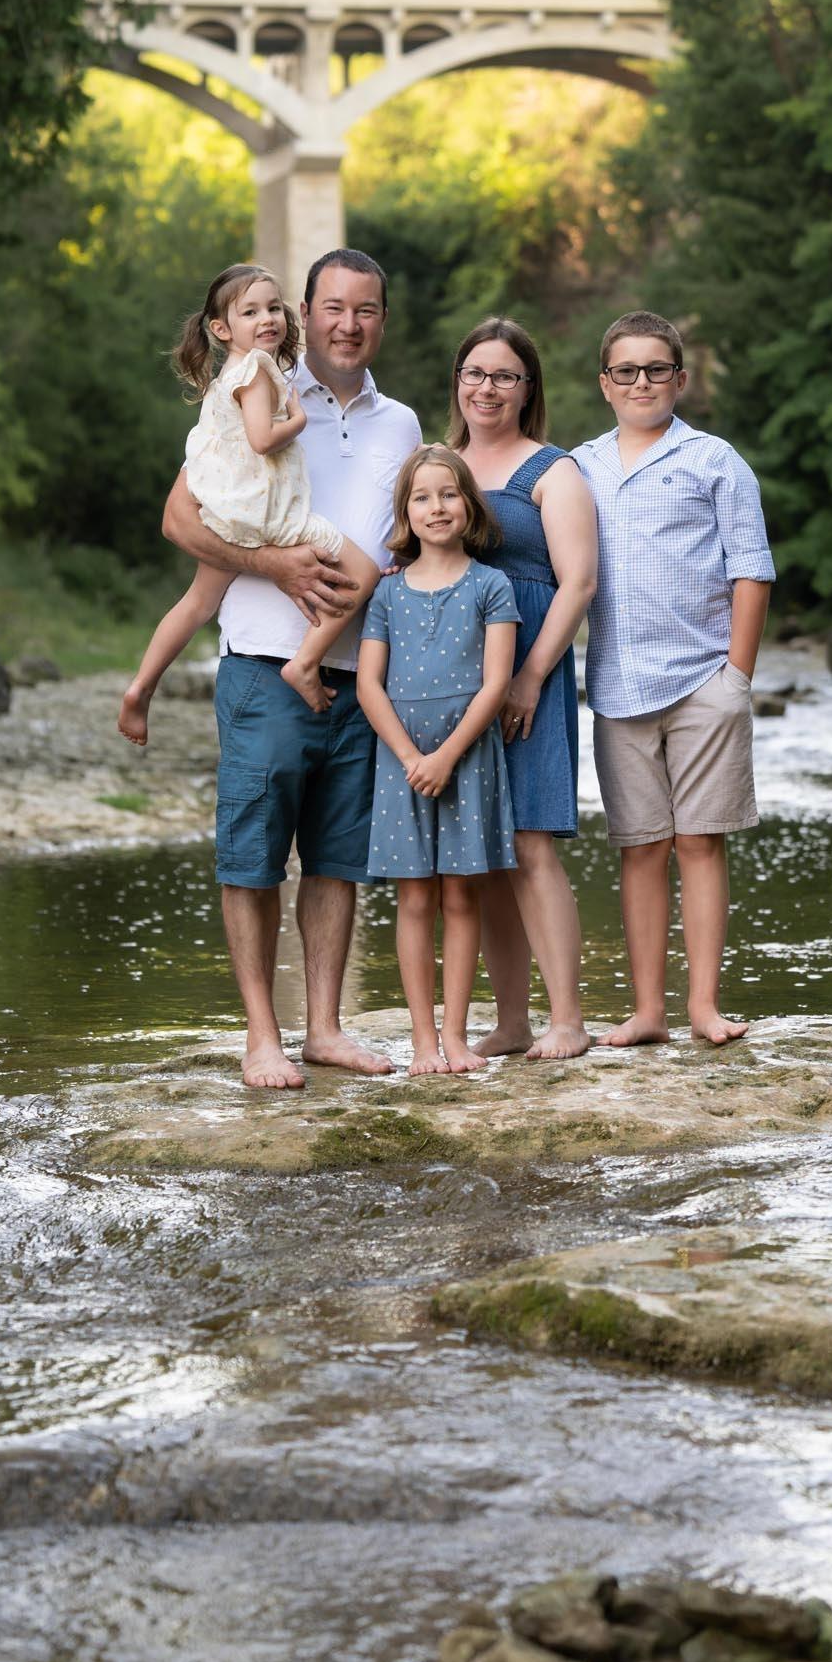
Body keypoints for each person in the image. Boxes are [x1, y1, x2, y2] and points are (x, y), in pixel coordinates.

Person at [160, 249, 421, 1089]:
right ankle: (260, 1037)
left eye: (367, 310)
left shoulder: (403, 426)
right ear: (308, 311)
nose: (350, 324)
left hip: (361, 677)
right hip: (266, 665)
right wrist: (272, 564)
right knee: (253, 857)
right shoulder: (256, 388)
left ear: (382, 318)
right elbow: (178, 517)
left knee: (337, 860)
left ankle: (326, 1029)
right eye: (335, 308)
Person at [572, 311, 775, 1048]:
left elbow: (750, 570)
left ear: (679, 380)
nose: (641, 382)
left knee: (699, 843)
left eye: (656, 369)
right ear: (604, 383)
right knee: (639, 847)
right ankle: (648, 1011)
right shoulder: (579, 466)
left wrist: (736, 678)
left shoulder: (714, 460)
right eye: (625, 370)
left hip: (701, 682)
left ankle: (702, 1007)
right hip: (617, 686)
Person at [119, 264, 381, 743]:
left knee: (197, 602)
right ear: (221, 329)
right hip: (269, 515)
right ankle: (305, 664)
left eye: (272, 308)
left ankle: (141, 687)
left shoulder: (229, 377)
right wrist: (298, 418)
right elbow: (263, 440)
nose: (268, 319)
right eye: (251, 311)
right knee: (363, 574)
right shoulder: (261, 371)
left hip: (231, 509)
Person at [448, 317, 598, 1063]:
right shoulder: (439, 466)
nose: (487, 387)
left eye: (504, 375)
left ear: (526, 388)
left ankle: (566, 1019)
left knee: (531, 841)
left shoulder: (552, 470)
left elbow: (579, 582)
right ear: (458, 381)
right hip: (454, 674)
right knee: (490, 854)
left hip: (529, 668)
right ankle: (509, 1022)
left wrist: (532, 676)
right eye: (475, 372)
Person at [358, 446, 519, 1075]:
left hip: (468, 758)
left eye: (448, 494)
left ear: (469, 504)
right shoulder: (387, 593)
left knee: (460, 899)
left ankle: (456, 1037)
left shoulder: (491, 584)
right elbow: (370, 683)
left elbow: (496, 682)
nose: (436, 507)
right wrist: (410, 757)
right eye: (421, 497)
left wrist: (447, 756)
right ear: (405, 511)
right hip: (402, 764)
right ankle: (422, 1042)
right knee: (414, 901)